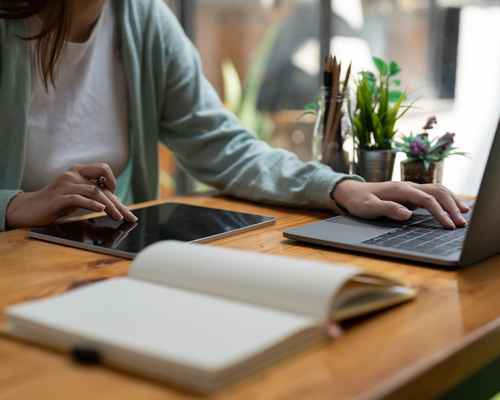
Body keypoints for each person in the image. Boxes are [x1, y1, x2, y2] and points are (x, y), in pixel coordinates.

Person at [0, 0, 469, 233]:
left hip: (99, 263)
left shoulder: (143, 20)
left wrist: (339, 187)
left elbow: (226, 146)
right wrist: (13, 205)